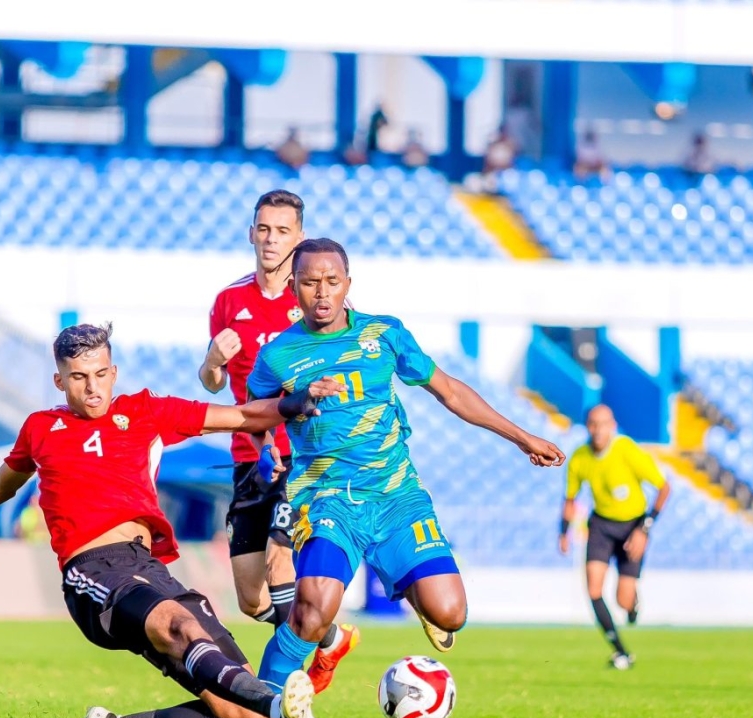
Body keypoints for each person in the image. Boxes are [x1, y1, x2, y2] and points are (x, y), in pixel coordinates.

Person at [0, 323, 339, 718]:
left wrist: (291, 404)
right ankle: (277, 704)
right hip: (92, 572)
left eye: (101, 374)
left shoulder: (144, 411)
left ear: (114, 371)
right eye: (78, 377)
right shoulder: (42, 428)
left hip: (149, 568)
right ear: (60, 381)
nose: (93, 387)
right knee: (177, 625)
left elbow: (239, 415)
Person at [246, 238, 565, 694]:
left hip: (397, 495)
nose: (322, 292)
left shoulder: (385, 334)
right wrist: (264, 447)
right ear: (293, 287)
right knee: (314, 611)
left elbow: (450, 391)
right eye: (311, 282)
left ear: (347, 284)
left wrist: (522, 438)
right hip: (326, 498)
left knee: (451, 612)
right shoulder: (278, 355)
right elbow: (255, 412)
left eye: (332, 282)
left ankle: (416, 594)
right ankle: (261, 715)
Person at [199, 191, 359, 717]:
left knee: (279, 560)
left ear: (299, 238)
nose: (271, 240)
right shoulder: (228, 301)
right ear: (251, 233)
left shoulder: (316, 299)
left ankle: (286, 691)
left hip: (304, 457)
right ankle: (330, 636)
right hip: (250, 454)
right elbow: (214, 382)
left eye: (282, 231)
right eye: (263, 229)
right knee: (250, 597)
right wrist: (213, 361)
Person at [559, 405, 671, 670]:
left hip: (633, 526)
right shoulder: (580, 457)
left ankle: (632, 604)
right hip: (601, 525)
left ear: (613, 425)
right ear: (587, 426)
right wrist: (563, 532)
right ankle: (621, 651)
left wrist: (644, 529)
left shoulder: (627, 450)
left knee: (623, 599)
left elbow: (664, 487)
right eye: (593, 424)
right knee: (594, 589)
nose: (598, 430)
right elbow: (570, 499)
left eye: (603, 424)